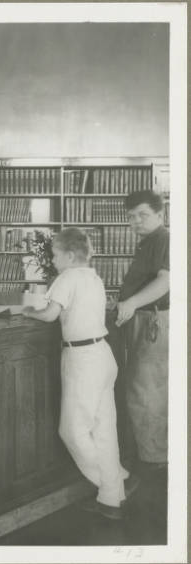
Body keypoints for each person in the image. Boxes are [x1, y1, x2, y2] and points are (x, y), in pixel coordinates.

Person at [24, 228, 138, 520]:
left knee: (72, 431)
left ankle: (114, 485)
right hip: (103, 355)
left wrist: (27, 312)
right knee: (104, 430)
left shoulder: (67, 277)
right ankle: (113, 497)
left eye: (56, 256)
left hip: (81, 359)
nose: (54, 261)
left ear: (70, 255)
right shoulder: (94, 277)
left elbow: (49, 315)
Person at [115, 190, 169, 470]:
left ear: (161, 215)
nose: (136, 221)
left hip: (155, 321)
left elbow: (166, 281)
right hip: (145, 319)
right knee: (143, 390)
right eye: (130, 217)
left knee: (147, 393)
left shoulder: (165, 238)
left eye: (143, 215)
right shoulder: (148, 241)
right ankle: (151, 456)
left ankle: (154, 462)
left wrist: (132, 302)